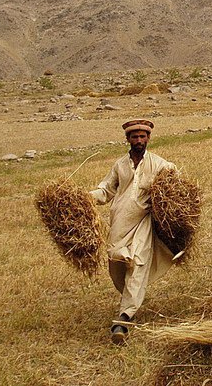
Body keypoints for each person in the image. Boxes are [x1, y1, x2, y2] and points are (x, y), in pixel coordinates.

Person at [89, 119, 177, 345]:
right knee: (117, 262)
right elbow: (106, 190)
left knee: (138, 263)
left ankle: (124, 318)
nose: (139, 141)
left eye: (143, 137)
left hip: (143, 222)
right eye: (134, 137)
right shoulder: (120, 165)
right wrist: (85, 198)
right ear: (127, 139)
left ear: (148, 138)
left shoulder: (158, 164)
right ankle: (129, 299)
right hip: (119, 223)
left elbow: (175, 179)